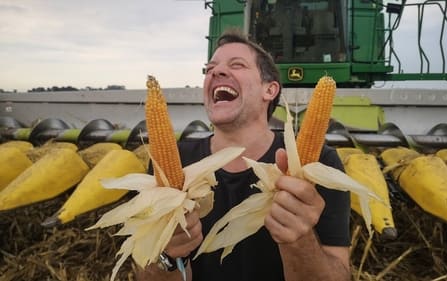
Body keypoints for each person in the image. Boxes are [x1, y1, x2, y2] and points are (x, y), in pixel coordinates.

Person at [137, 28, 351, 281]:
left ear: (270, 90)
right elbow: (145, 274)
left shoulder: (321, 163)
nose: (215, 72)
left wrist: (299, 239)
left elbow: (339, 274)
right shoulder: (173, 163)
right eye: (209, 68)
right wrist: (167, 257)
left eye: (237, 65)